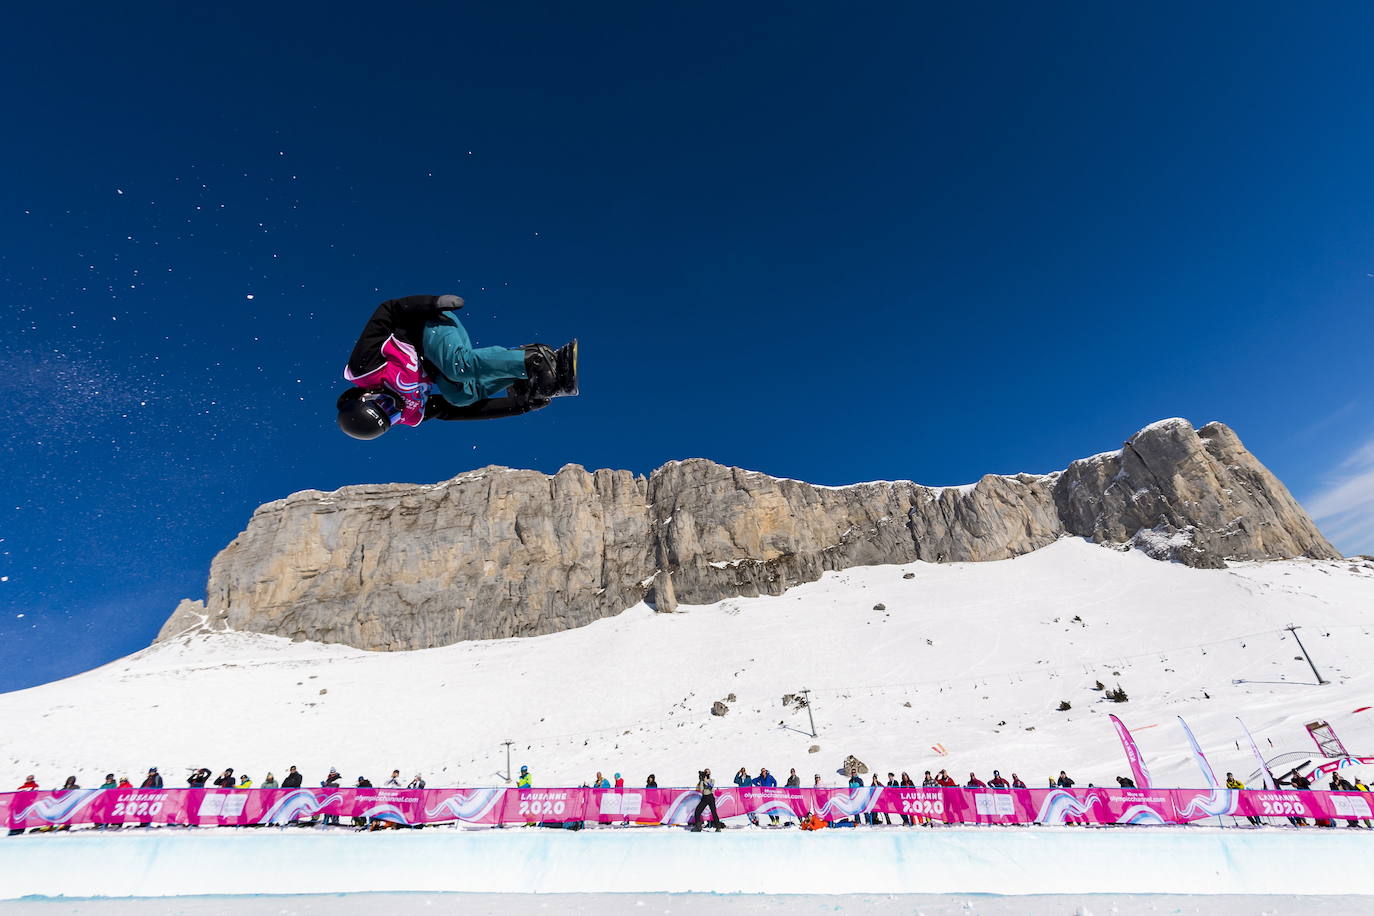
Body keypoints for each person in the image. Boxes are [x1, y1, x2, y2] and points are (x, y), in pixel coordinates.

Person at [336, 294, 577, 440]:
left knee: (456, 367)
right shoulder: (410, 415)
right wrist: (518, 406)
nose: (395, 407)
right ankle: (520, 376)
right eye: (393, 415)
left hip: (428, 325)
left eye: (385, 404)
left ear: (367, 395)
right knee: (460, 396)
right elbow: (455, 412)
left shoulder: (365, 368)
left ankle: (534, 359)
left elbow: (386, 311)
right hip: (437, 364)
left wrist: (430, 303)